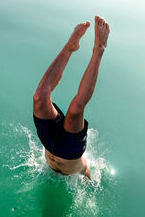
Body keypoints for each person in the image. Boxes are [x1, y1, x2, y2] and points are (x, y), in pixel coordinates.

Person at [33, 16, 110, 180]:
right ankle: (70, 47)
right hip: (53, 144)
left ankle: (99, 50)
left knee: (75, 110)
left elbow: (90, 181)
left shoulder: (84, 174)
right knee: (40, 97)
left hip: (70, 156)